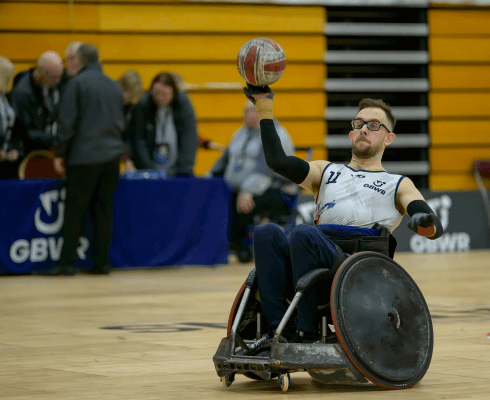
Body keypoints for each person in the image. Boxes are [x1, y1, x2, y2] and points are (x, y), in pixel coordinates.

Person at [242, 83, 444, 344]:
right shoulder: (326, 171)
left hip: (356, 268)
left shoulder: (398, 183)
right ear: (351, 133)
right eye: (359, 123)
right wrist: (264, 107)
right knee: (265, 232)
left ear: (388, 138)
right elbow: (278, 162)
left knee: (304, 234)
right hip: (311, 252)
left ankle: (306, 332)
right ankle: (276, 331)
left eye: (373, 125)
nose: (363, 129)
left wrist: (422, 221)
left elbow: (432, 227)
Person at [39, 44, 126, 276]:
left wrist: (59, 153)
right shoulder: (114, 85)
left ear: (79, 60)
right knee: (103, 211)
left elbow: (67, 123)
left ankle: (66, 263)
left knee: (74, 211)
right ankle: (101, 263)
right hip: (111, 158)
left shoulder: (76, 84)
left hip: (84, 158)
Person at [209, 100, 297, 263]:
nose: (248, 114)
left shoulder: (274, 134)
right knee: (218, 198)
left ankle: (238, 247)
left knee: (242, 203)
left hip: (275, 190)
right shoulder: (240, 133)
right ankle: (219, 246)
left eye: (253, 110)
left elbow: (268, 170)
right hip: (239, 188)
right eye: (246, 111)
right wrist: (207, 178)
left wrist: (248, 191)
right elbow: (224, 160)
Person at [131, 72, 198, 177]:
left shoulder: (183, 104)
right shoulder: (143, 105)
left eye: (165, 94)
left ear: (173, 92)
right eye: (157, 93)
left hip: (178, 168)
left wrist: (184, 170)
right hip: (150, 169)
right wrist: (147, 169)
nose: (160, 98)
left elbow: (189, 138)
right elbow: (138, 139)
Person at [11, 51, 64, 154]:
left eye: (59, 76)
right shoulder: (22, 93)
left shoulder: (50, 84)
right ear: (41, 73)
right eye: (54, 77)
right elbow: (25, 132)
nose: (57, 81)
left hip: (47, 145)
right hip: (29, 151)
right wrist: (56, 139)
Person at [117, 70, 143, 173]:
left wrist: (128, 159)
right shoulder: (114, 108)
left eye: (126, 91)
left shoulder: (137, 109)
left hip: (133, 159)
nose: (123, 94)